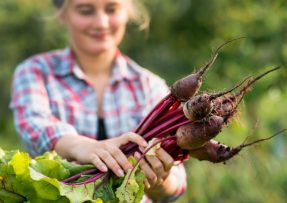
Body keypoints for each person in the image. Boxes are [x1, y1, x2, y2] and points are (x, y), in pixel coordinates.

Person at [10, 0, 187, 202]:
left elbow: (176, 182)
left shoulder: (150, 86)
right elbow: (34, 123)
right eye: (86, 11)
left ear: (127, 12)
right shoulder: (35, 72)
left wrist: (159, 182)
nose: (101, 23)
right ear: (62, 15)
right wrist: (81, 146)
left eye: (111, 9)